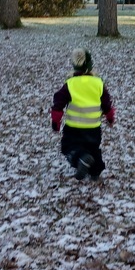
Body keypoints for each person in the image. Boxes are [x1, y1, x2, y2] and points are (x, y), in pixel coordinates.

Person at [51, 48, 115, 181]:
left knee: (69, 147)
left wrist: (55, 122)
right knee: (93, 148)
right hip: (93, 127)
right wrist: (110, 118)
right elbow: (107, 104)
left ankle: (81, 158)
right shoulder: (98, 83)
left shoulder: (70, 84)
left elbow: (58, 104)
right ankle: (95, 172)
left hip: (73, 127)